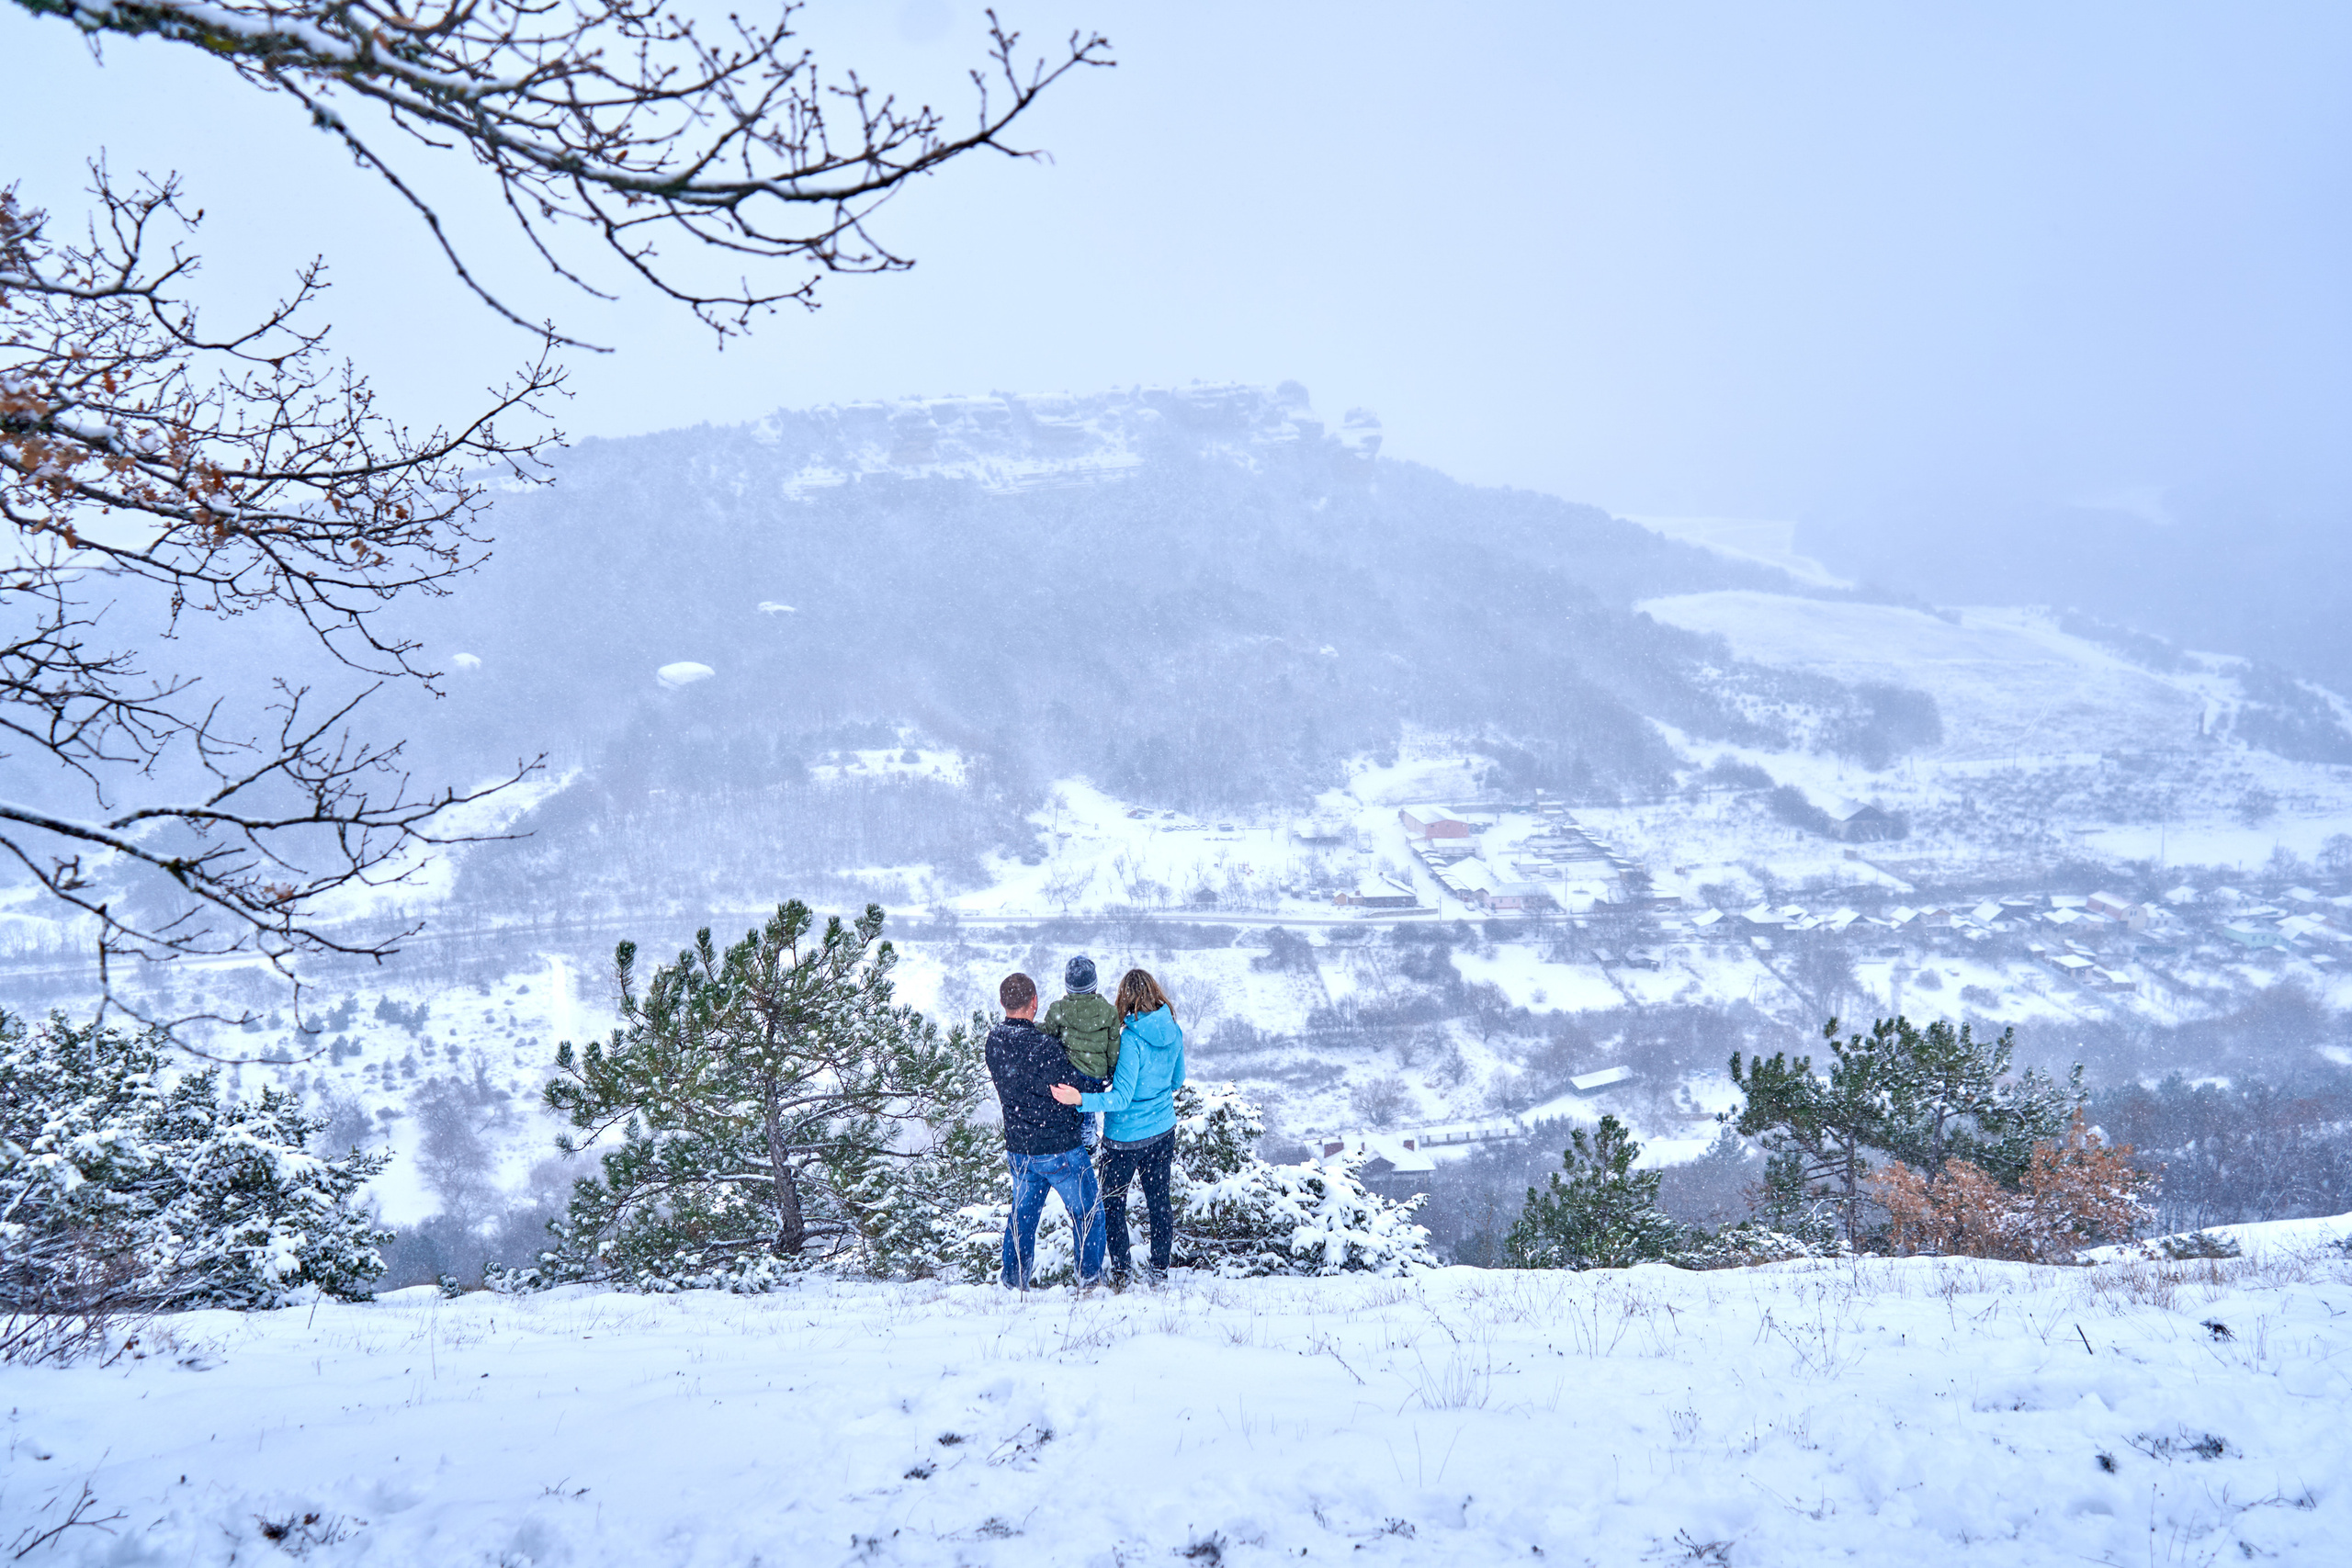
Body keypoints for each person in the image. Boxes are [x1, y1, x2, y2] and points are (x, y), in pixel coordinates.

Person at [1052, 967, 1185, 1285]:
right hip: (1163, 1131)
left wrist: (1079, 1098)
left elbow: (1122, 1098)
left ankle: (1122, 1273)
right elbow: (1177, 1080)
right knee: (1159, 1203)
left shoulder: (1131, 1039)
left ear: (1125, 997)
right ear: (1156, 992)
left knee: (1113, 1204)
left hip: (1124, 1138)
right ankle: (1160, 1271)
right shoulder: (1174, 1031)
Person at [984, 972, 1107, 1290]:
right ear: (1035, 1003)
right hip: (1060, 1148)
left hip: (1020, 1149)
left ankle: (1013, 1282)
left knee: (1022, 1221)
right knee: (1088, 1215)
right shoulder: (1044, 1047)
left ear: (1002, 1003)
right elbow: (1075, 1086)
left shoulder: (994, 1041)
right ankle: (1089, 1281)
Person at [1041, 954, 1121, 1150]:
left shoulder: (1058, 1009)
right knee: (1087, 1107)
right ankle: (1088, 1141)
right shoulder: (1109, 1012)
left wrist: (1032, 1027)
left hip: (1068, 1072)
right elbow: (1113, 1047)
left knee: (1069, 1108)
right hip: (1095, 1075)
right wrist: (1110, 1070)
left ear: (1068, 986)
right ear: (1094, 984)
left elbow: (1047, 1035)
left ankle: (1071, 1140)